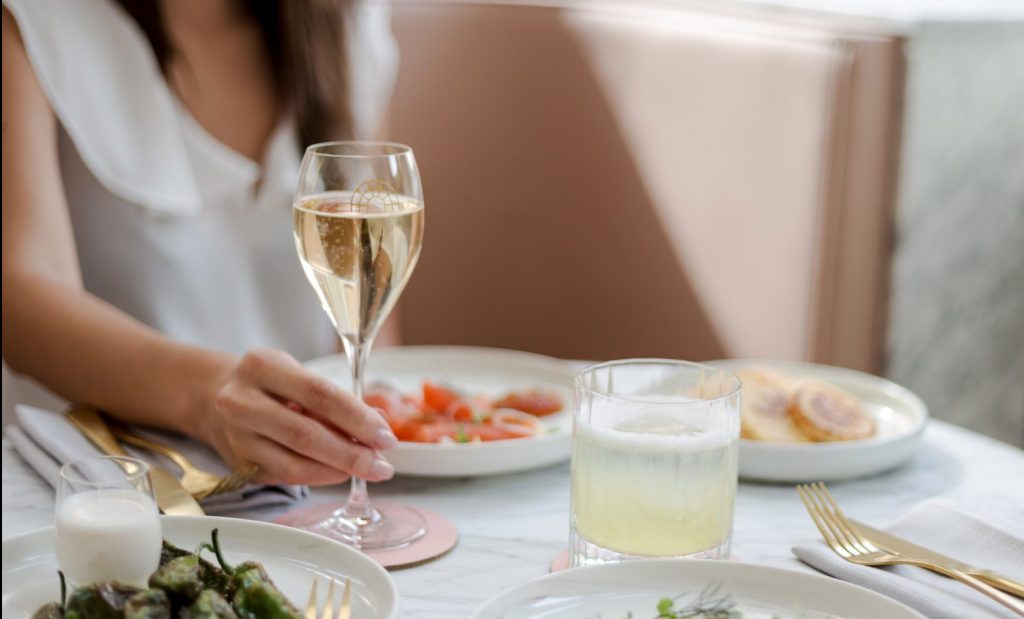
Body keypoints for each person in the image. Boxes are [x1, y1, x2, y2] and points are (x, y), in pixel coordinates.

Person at [1, 0, 402, 485]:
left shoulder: (350, 25)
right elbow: (22, 297)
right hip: (102, 491)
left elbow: (371, 310)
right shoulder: (32, 22)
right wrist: (208, 396)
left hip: (304, 495)